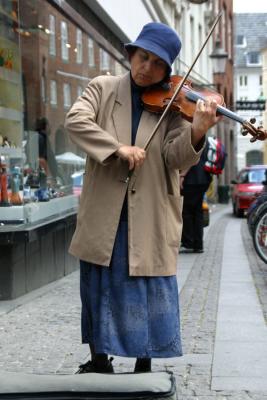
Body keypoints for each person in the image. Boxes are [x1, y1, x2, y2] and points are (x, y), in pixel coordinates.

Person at [64, 22, 220, 374]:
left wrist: (197, 131)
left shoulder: (176, 106)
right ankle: (99, 360)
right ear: (131, 53)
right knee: (99, 289)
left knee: (145, 291)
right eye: (142, 56)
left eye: (156, 63)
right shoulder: (102, 88)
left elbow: (175, 157)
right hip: (105, 214)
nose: (146, 67)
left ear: (167, 70)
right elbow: (76, 121)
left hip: (149, 214)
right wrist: (117, 148)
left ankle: (143, 364)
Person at [180, 141, 212, 253]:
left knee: (187, 212)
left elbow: (194, 159)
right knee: (197, 212)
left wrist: (182, 175)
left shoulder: (195, 136)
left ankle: (188, 242)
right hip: (203, 179)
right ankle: (198, 245)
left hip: (192, 180)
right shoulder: (206, 139)